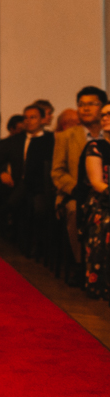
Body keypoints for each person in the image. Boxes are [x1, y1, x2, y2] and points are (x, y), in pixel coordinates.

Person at [52, 87, 107, 281]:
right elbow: (57, 172)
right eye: (81, 104)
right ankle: (82, 264)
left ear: (103, 107)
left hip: (105, 192)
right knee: (76, 210)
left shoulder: (108, 134)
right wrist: (77, 189)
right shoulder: (66, 136)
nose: (85, 108)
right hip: (75, 194)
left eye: (91, 104)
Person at [8, 103, 55, 257]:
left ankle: (38, 246)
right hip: (20, 183)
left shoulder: (51, 139)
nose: (28, 121)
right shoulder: (16, 139)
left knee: (39, 208)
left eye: (33, 117)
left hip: (41, 186)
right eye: (26, 118)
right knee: (12, 204)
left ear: (42, 119)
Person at [77, 104, 110, 299]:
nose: (105, 117)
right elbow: (97, 183)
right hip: (102, 202)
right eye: (103, 114)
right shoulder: (95, 147)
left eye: (109, 114)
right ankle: (103, 283)